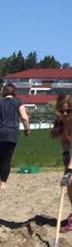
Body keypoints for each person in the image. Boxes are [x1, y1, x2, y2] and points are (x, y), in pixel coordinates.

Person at [0, 85, 30, 190]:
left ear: (4, 92)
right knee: (7, 158)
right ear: (14, 92)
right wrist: (27, 129)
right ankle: (2, 182)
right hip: (12, 132)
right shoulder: (18, 102)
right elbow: (24, 118)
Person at [51, 93, 72, 232]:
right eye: (62, 110)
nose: (65, 113)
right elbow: (65, 141)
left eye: (68, 111)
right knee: (70, 183)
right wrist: (65, 156)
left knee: (70, 180)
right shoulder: (62, 123)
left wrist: (69, 170)